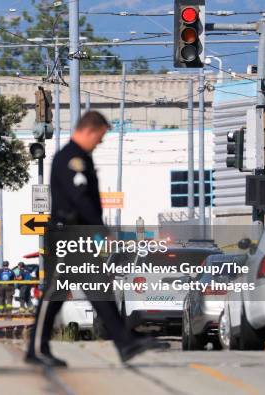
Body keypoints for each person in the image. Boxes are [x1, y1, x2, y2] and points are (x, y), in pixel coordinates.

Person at [25, 111, 167, 367]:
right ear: (89, 130)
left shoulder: (82, 158)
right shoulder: (70, 158)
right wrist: (102, 231)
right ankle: (36, 348)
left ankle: (125, 343)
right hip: (67, 235)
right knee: (55, 292)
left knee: (99, 288)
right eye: (100, 137)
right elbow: (80, 199)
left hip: (80, 236)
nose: (100, 143)